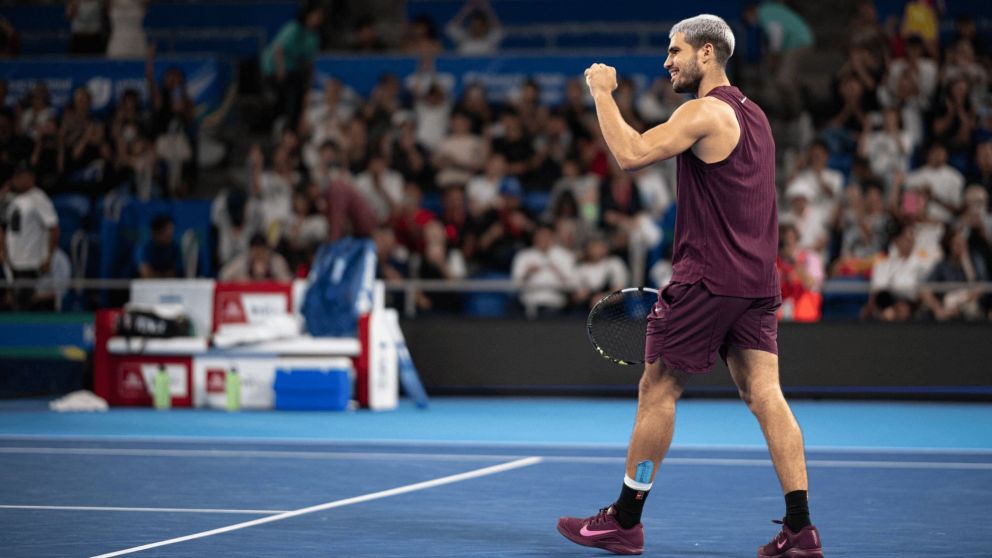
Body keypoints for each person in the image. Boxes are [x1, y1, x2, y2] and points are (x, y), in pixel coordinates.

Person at [558, 15, 823, 557]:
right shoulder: (757, 117)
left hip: (708, 278)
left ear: (707, 54)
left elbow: (630, 155)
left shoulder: (703, 111)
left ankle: (625, 521)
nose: (667, 60)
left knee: (658, 388)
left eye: (675, 50)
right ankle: (801, 529)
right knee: (766, 395)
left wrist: (601, 93)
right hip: (756, 281)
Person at [1, 165, 60, 310]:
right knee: (12, 305)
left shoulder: (38, 198)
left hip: (31, 262)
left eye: (22, 176)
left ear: (31, 178)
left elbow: (53, 228)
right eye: (16, 176)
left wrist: (49, 257)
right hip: (12, 262)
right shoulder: (10, 199)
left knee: (25, 306)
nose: (18, 180)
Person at [219, 232, 292, 282]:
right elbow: (223, 276)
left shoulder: (277, 261)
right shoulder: (242, 261)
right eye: (256, 253)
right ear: (250, 252)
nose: (259, 256)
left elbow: (288, 282)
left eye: (262, 252)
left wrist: (271, 279)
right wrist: (241, 280)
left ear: (267, 251)